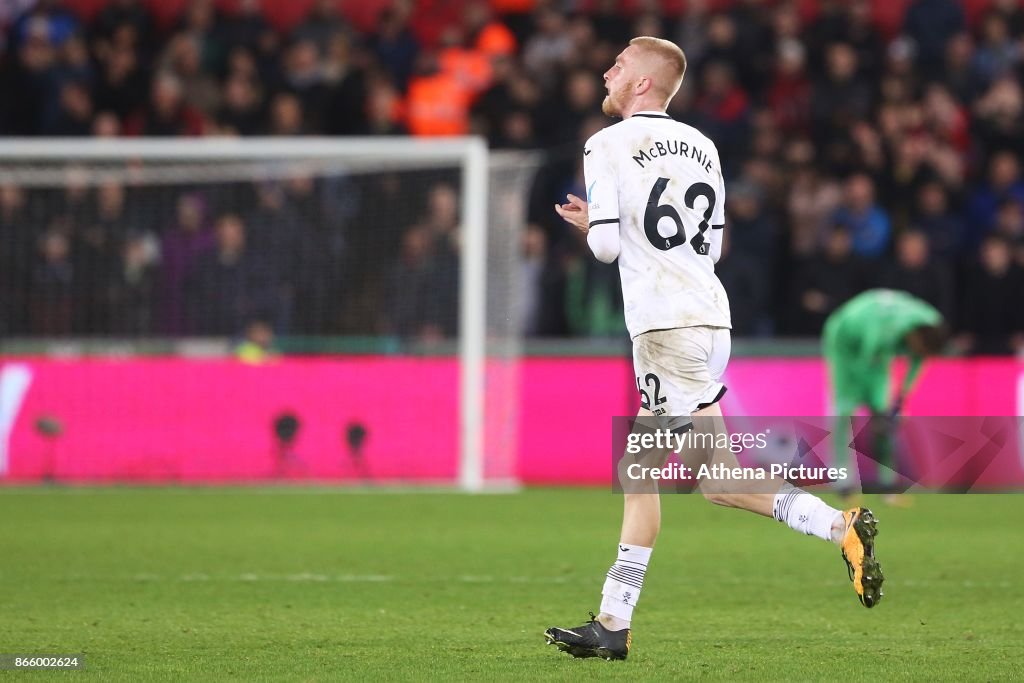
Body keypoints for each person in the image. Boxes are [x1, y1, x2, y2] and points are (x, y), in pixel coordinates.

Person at [544, 37, 883, 662]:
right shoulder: (704, 146)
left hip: (665, 329)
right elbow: (715, 245)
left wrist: (596, 224)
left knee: (682, 474)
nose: (606, 70)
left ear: (643, 83)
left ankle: (838, 526)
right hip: (709, 318)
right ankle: (613, 624)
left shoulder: (605, 144)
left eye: (618, 64)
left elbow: (607, 250)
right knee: (678, 475)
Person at [823, 289, 946, 498]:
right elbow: (865, 361)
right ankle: (842, 480)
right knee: (843, 413)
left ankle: (886, 480)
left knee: (885, 415)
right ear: (914, 337)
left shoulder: (931, 326)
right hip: (845, 341)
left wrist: (897, 403)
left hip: (878, 351)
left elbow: (918, 360)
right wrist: (874, 406)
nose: (916, 352)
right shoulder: (882, 331)